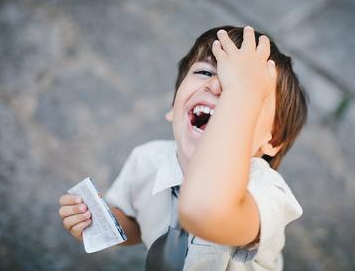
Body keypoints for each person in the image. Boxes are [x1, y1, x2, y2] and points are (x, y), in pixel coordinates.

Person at [58, 25, 308, 270]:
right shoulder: (146, 160)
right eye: (206, 73)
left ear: (272, 140)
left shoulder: (266, 191)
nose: (219, 86)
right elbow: (136, 227)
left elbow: (206, 212)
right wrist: (102, 223)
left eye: (247, 92)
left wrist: (240, 92)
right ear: (174, 106)